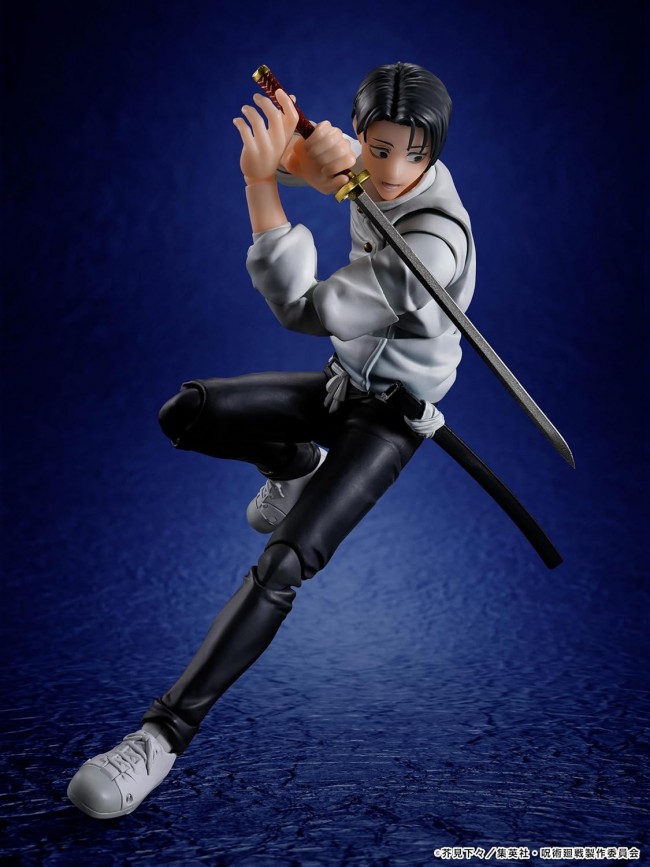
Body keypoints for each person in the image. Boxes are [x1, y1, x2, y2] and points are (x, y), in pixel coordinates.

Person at [67, 61, 475, 819]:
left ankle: (160, 736)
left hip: (391, 419)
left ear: (435, 151)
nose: (392, 170)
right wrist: (300, 160)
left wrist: (264, 184)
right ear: (361, 134)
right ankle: (293, 465)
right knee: (189, 413)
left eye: (413, 154)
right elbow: (336, 176)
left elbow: (304, 308)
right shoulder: (376, 179)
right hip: (341, 382)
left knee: (284, 563)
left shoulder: (435, 242)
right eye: (379, 148)